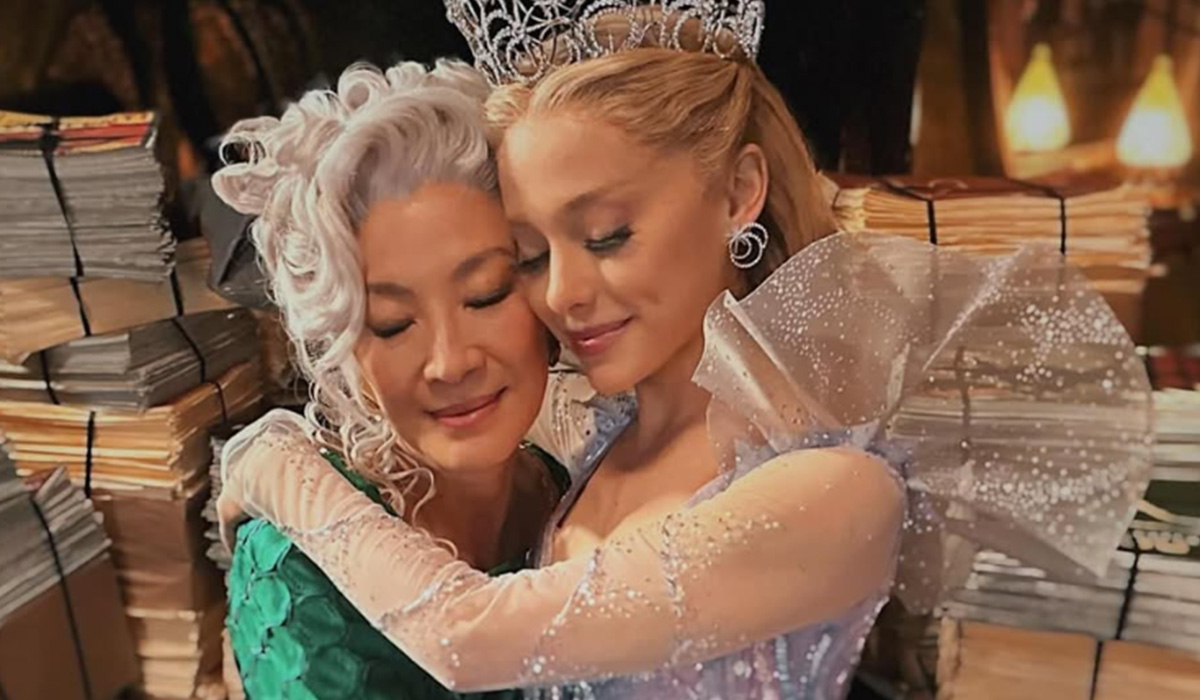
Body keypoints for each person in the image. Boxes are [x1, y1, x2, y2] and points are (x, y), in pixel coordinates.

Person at [217, 3, 1154, 699]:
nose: (564, 293)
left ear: (739, 191)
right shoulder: (593, 445)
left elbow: (470, 636)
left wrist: (274, 466)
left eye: (608, 235)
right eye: (532, 256)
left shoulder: (836, 487)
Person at [211, 59, 574, 699]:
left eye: (486, 295)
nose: (450, 361)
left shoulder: (564, 486)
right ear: (344, 352)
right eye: (393, 324)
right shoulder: (296, 576)